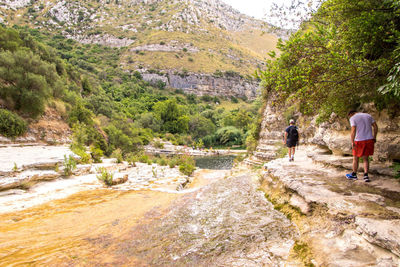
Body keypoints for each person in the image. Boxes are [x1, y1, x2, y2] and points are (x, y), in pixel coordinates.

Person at [346, 110, 378, 182]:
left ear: (351, 114)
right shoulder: (368, 115)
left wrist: (352, 141)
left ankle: (354, 174)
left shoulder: (353, 118)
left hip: (359, 140)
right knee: (366, 159)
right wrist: (374, 137)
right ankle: (366, 176)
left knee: (355, 158)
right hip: (369, 139)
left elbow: (353, 130)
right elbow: (375, 127)